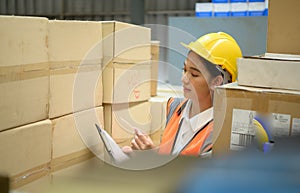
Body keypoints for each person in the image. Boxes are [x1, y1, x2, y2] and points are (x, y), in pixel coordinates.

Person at [122, 32, 242, 156]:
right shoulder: (175, 107)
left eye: (194, 74)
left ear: (216, 82)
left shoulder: (221, 134)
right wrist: (143, 153)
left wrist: (153, 159)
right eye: (184, 70)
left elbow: (195, 174)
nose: (184, 79)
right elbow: (173, 153)